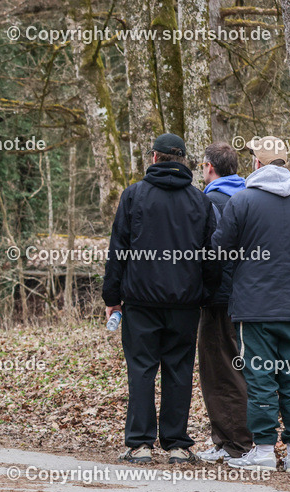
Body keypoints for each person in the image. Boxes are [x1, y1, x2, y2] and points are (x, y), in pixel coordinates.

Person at [102, 133, 220, 465]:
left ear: (154, 158)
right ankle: (177, 445)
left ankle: (140, 445)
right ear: (183, 161)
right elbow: (213, 256)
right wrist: (206, 294)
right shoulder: (200, 201)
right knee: (179, 369)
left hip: (140, 300)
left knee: (141, 369)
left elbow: (118, 251)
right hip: (185, 302)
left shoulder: (134, 196)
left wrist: (112, 297)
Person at [213, 136, 290, 473]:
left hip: (254, 306)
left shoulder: (242, 200)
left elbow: (220, 249)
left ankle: (262, 450)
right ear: (284, 162)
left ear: (256, 163)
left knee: (260, 376)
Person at [195, 142, 252, 463]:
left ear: (209, 167)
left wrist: (205, 291)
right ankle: (224, 439)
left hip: (220, 299)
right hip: (246, 295)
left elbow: (211, 254)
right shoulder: (246, 196)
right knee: (232, 366)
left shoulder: (211, 200)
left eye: (203, 166)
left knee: (221, 370)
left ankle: (236, 443)